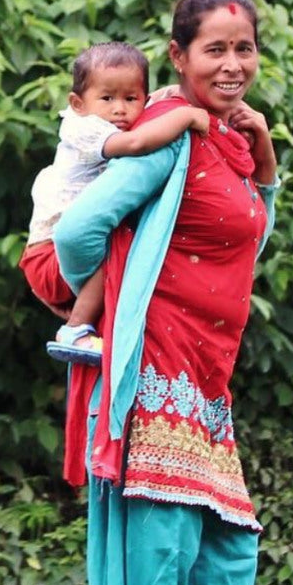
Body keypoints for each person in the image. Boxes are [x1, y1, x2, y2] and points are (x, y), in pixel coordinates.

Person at [51, 0, 280, 585]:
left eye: (245, 49)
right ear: (179, 56)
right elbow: (78, 231)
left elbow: (249, 236)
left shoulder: (227, 137)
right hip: (154, 371)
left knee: (226, 552)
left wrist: (262, 147)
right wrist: (100, 300)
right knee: (160, 552)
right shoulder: (168, 133)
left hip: (205, 381)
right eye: (215, 50)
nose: (232, 64)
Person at [19, 41, 210, 365]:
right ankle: (75, 328)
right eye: (107, 98)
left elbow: (149, 108)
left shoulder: (109, 118)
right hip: (49, 253)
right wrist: (187, 116)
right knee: (121, 245)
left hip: (62, 255)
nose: (119, 109)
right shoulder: (84, 128)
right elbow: (135, 142)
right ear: (77, 103)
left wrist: (170, 96)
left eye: (130, 99)